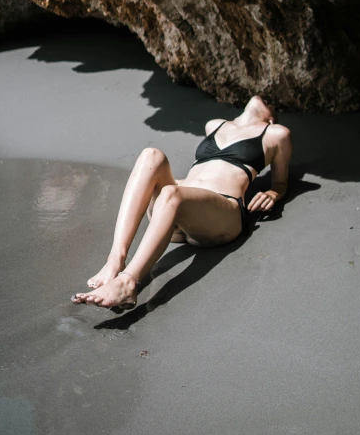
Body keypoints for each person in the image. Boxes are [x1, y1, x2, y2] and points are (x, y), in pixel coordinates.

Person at [71, 95, 292, 310]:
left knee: (170, 193)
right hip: (180, 209)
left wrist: (273, 193)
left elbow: (280, 183)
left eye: (270, 103)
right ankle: (115, 261)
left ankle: (128, 282)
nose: (264, 99)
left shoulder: (276, 133)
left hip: (222, 214)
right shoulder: (214, 125)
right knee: (151, 155)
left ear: (271, 117)